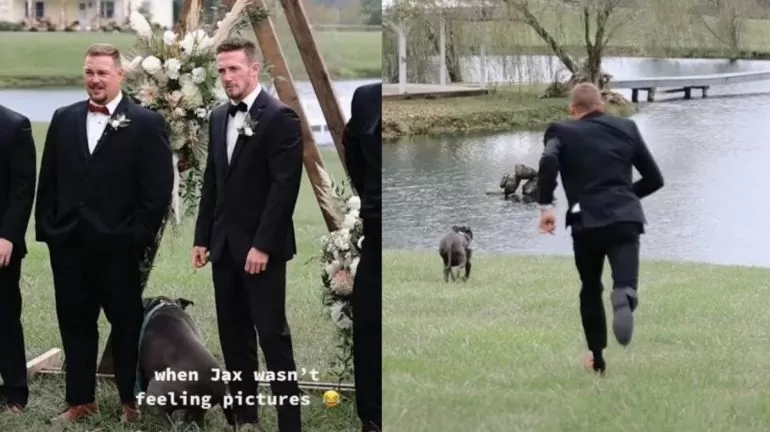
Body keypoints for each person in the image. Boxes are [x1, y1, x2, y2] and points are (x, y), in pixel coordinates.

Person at [34, 43, 174, 422]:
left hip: (119, 249)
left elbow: (157, 191)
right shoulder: (64, 118)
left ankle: (131, 400)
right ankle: (81, 400)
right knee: (75, 324)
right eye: (89, 72)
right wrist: (49, 230)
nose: (95, 80)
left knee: (125, 325)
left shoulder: (145, 124)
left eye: (102, 73)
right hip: (69, 246)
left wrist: (136, 239)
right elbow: (48, 180)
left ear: (119, 76)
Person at [192, 37, 303, 431]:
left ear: (254, 69)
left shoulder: (280, 117)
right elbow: (212, 182)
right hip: (223, 249)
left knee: (273, 338)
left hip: (262, 253)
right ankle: (245, 419)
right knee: (234, 339)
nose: (227, 77)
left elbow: (284, 189)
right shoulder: (219, 116)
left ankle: (290, 423)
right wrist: (202, 238)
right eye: (221, 70)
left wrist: (262, 245)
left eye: (234, 68)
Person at [536, 82, 664, 375]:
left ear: (572, 110)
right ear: (602, 106)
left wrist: (546, 207)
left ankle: (597, 359)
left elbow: (548, 160)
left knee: (590, 289)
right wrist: (625, 197)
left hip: (586, 221)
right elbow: (655, 179)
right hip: (625, 218)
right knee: (625, 283)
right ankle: (624, 297)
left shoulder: (560, 131)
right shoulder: (627, 128)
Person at [343, 82, 382, 432]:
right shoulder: (366, 97)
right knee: (369, 321)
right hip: (378, 227)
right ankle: (371, 418)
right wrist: (370, 195)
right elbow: (351, 147)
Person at [0, 105, 36, 415]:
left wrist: (8, 236)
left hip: (1, 244)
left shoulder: (15, 125)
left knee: (5, 317)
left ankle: (15, 395)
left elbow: (22, 189)